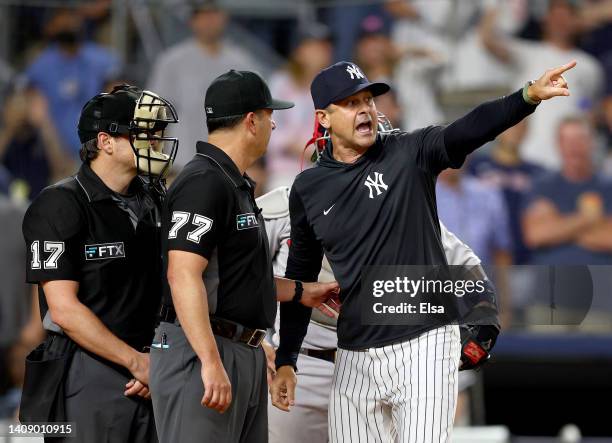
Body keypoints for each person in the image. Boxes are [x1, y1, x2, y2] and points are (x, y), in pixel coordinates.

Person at [270, 59, 576, 442]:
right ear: (324, 118)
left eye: (369, 99)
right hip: (353, 352)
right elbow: (301, 280)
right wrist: (286, 359)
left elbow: (468, 130)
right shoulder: (308, 189)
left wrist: (526, 97)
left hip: (423, 342)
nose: (365, 108)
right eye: (350, 103)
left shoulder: (408, 152)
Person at [149, 70, 338, 443]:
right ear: (252, 121)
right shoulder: (203, 181)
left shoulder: (233, 182)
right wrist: (209, 360)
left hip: (241, 349)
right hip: (203, 348)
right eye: (271, 116)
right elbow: (182, 274)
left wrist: (303, 291)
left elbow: (238, 278)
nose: (273, 125)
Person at [260, 185, 495, 443]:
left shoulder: (404, 209)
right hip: (301, 367)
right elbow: (230, 271)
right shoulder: (286, 205)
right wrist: (256, 340)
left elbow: (473, 282)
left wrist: (480, 326)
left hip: (376, 370)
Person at [21, 84, 178, 442]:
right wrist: (137, 363)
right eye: (142, 134)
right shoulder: (60, 204)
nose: (154, 143)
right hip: (88, 371)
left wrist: (158, 360)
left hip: (153, 370)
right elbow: (63, 310)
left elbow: (170, 294)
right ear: (106, 142)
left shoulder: (155, 198)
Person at [480, 0, 604, 169]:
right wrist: (493, 6)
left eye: (566, 16)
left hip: (568, 164)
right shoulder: (526, 53)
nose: (560, 22)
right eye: (555, 16)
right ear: (545, 20)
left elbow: (589, 107)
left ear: (577, 21)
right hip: (526, 159)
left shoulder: (589, 66)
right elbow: (488, 41)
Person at [148, 0, 262, 169]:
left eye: (213, 14)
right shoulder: (171, 61)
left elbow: (256, 114)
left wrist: (255, 162)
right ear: (192, 20)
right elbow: (156, 113)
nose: (209, 20)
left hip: (231, 161)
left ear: (224, 17)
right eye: (202, 15)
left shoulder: (242, 62)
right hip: (182, 160)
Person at [23, 8, 121, 159]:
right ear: (50, 27)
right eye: (62, 20)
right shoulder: (41, 64)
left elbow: (119, 91)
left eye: (72, 18)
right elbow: (31, 103)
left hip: (99, 146)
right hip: (56, 150)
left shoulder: (101, 58)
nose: (68, 24)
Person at [522, 116, 612, 265]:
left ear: (592, 143)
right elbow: (536, 235)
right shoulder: (541, 186)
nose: (573, 147)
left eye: (580, 139)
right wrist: (588, 219)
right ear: (558, 145)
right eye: (567, 141)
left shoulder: (608, 186)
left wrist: (558, 224)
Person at [467, 120, 547, 264]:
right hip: (484, 258)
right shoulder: (474, 167)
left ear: (527, 131)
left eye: (521, 126)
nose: (515, 130)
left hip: (526, 258)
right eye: (511, 124)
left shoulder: (538, 174)